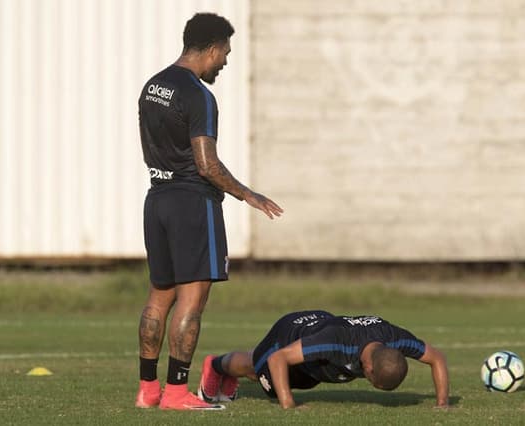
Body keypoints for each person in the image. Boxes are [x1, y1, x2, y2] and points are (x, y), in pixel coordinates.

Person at [135, 13, 284, 411]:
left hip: (158, 198)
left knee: (158, 297)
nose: (225, 63)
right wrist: (246, 194)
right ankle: (179, 393)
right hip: (191, 203)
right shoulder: (198, 94)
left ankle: (148, 390)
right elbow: (206, 164)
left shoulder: (153, 86)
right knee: (192, 301)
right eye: (226, 54)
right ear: (213, 48)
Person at [198, 310, 450, 409]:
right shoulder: (336, 343)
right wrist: (289, 405)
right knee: (259, 369)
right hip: (288, 334)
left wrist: (442, 404)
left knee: (307, 379)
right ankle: (216, 366)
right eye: (375, 382)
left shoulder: (396, 338)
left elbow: (436, 358)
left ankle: (232, 375)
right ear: (369, 368)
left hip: (319, 333)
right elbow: (278, 358)